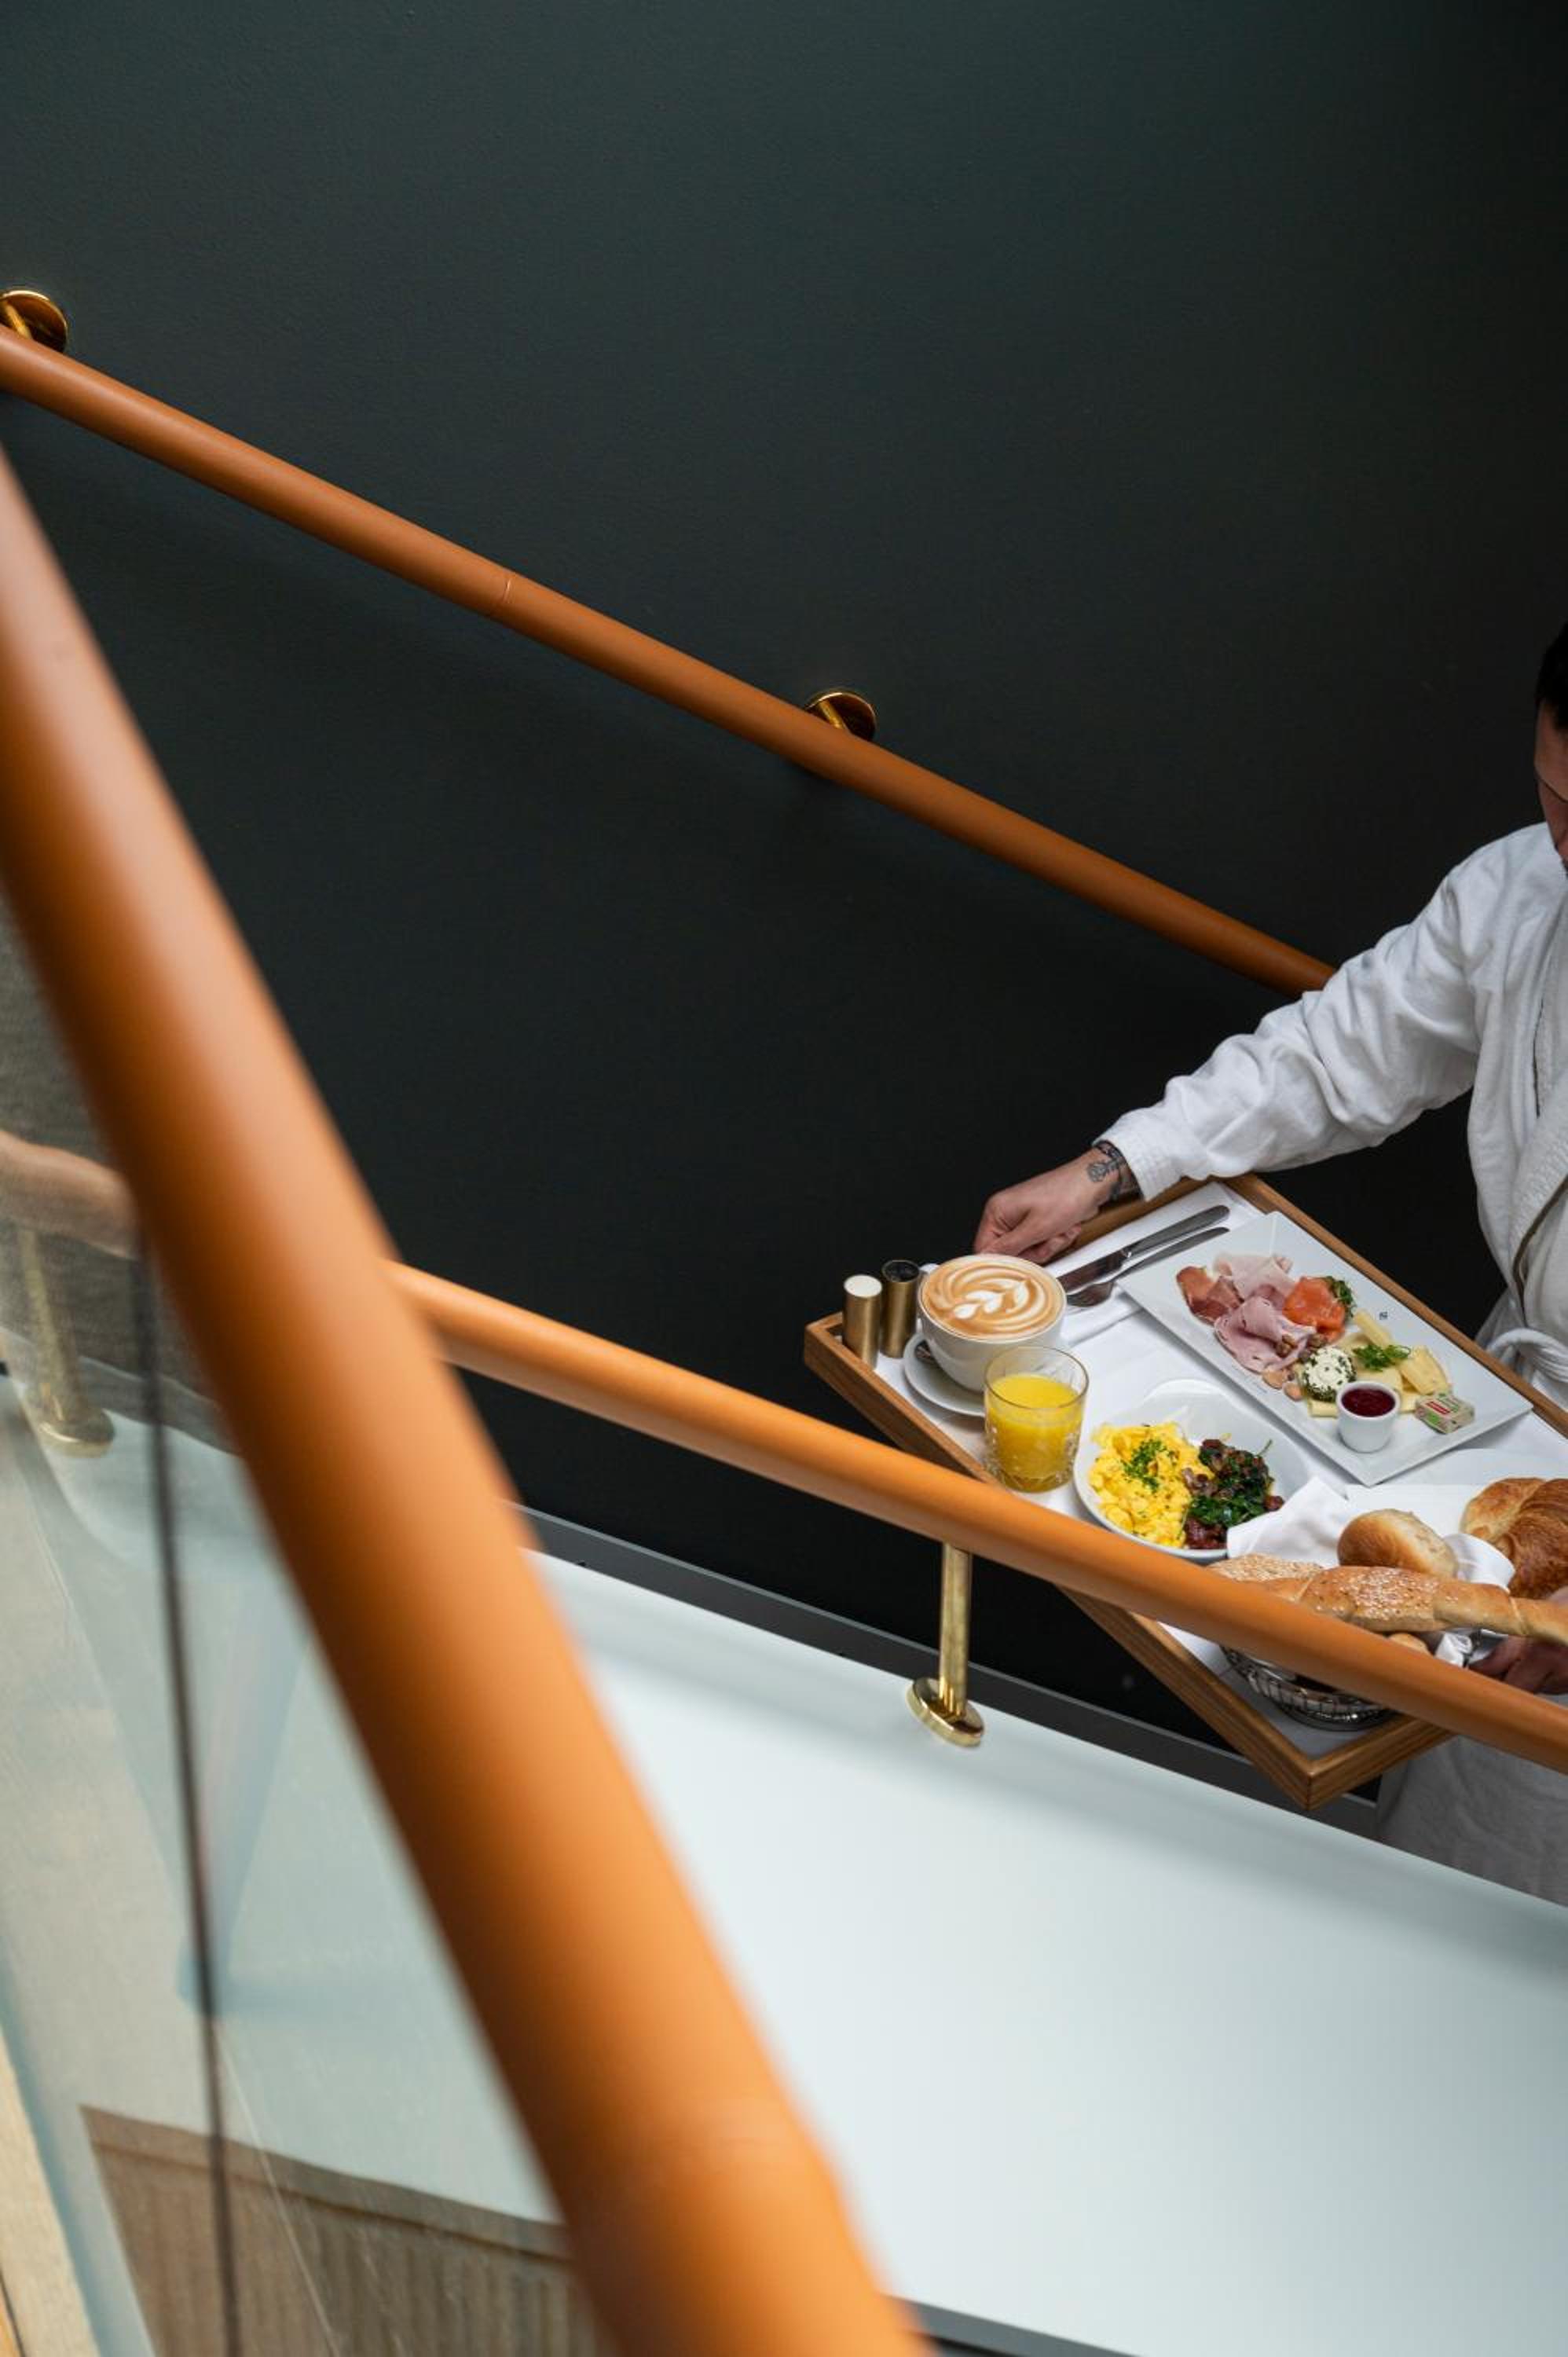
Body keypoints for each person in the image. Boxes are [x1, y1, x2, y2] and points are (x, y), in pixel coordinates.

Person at [973, 621, 1568, 1904]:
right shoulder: (1525, 891)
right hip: (1526, 1429)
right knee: (1460, 1812)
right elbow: (1336, 1051)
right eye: (1553, 796)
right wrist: (1114, 1168)